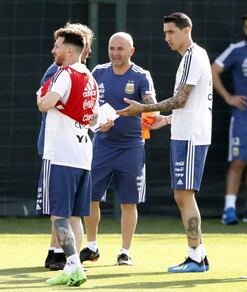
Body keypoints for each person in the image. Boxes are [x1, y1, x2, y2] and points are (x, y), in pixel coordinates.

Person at [117, 12, 212, 273]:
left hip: (191, 137)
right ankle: (199, 254)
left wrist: (143, 110)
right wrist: (166, 120)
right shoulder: (188, 58)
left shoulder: (194, 56)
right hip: (183, 132)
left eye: (171, 32)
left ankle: (195, 258)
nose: (166, 38)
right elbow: (190, 104)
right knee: (182, 194)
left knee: (184, 194)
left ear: (186, 30)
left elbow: (181, 99)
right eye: (165, 33)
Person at [79, 32, 157, 266]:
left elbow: (152, 107)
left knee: (128, 201)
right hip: (101, 145)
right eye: (112, 48)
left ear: (131, 51)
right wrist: (96, 124)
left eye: (120, 49)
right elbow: (87, 107)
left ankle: (125, 251)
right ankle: (91, 246)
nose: (115, 53)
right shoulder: (98, 72)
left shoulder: (141, 76)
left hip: (131, 147)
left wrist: (144, 106)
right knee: (90, 197)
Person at [37, 25, 98, 286]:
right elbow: (93, 117)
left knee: (59, 215)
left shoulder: (65, 74)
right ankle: (73, 267)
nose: (54, 50)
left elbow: (44, 103)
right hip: (83, 154)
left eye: (58, 46)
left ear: (70, 50)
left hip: (61, 154)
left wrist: (42, 95)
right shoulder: (91, 78)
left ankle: (72, 266)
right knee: (75, 215)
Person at [211, 9, 247, 225]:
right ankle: (229, 210)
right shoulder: (236, 50)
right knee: (238, 162)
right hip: (243, 118)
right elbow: (213, 70)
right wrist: (228, 97)